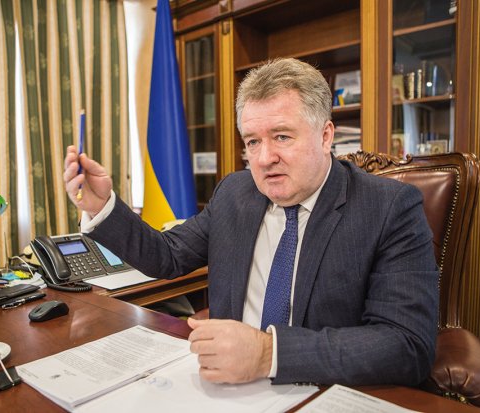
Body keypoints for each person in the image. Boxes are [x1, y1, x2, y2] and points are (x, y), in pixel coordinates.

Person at [63, 58, 439, 387]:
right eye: (253, 142)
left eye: (281, 136)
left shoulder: (389, 208)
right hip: (225, 388)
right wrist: (103, 207)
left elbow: (406, 344)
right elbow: (168, 255)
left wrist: (267, 353)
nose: (263, 159)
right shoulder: (235, 193)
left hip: (321, 390)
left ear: (326, 136)